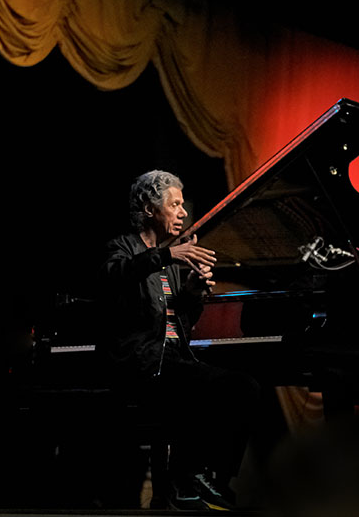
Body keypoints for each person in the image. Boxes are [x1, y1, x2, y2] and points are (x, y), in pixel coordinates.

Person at [99, 170, 260, 511]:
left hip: (174, 359)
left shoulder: (171, 261)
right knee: (208, 388)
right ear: (149, 209)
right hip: (141, 362)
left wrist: (191, 294)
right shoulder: (121, 248)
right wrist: (168, 256)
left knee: (244, 386)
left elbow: (180, 322)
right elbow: (115, 278)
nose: (183, 212)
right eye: (174, 204)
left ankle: (205, 476)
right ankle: (186, 478)